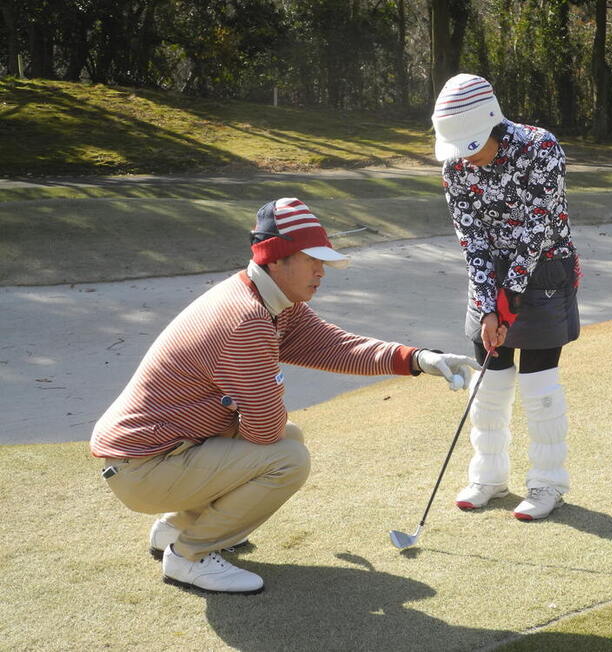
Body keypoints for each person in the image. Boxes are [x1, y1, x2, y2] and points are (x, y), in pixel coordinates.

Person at [90, 197, 479, 594]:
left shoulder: (269, 300)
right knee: (288, 459)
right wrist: (268, 386)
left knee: (289, 439)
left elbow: (332, 346)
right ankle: (188, 555)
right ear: (275, 259)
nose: (321, 271)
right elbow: (262, 430)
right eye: (311, 259)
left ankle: (176, 527)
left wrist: (416, 359)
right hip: (144, 467)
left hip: (157, 455)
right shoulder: (248, 319)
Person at [431, 73, 580, 521]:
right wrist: (486, 298)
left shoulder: (541, 148)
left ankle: (547, 484)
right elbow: (471, 238)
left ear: (493, 124)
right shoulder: (456, 163)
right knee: (489, 379)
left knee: (538, 384)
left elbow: (536, 231)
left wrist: (508, 300)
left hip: (544, 269)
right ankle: (489, 478)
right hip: (491, 276)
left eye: (473, 147)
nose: (467, 159)